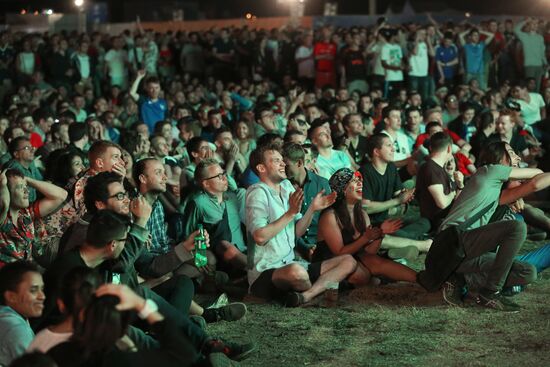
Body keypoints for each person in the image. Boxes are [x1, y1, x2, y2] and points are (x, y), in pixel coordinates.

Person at [440, 142, 548, 311]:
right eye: (512, 153)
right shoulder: (488, 171)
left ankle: (461, 280)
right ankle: (489, 292)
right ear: (500, 159)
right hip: (453, 244)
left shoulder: (498, 194)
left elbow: (530, 187)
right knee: (517, 227)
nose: (518, 157)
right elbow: (536, 180)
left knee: (529, 272)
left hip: (473, 258)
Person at [245, 143, 357, 307]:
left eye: (282, 160)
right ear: (261, 168)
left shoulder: (285, 186)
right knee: (296, 272)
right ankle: (318, 292)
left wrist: (312, 208)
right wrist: (290, 213)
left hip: (291, 263)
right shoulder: (257, 192)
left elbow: (296, 232)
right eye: (276, 160)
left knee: (348, 261)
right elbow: (260, 237)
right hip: (265, 271)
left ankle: (306, 296)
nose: (283, 163)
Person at [316, 168, 417, 284]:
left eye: (360, 180)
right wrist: (366, 238)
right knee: (364, 276)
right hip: (331, 263)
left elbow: (369, 252)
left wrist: (380, 233)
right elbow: (339, 252)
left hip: (354, 259)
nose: (360, 183)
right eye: (354, 181)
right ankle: (379, 277)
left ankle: (422, 279)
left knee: (376, 262)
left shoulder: (362, 214)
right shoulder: (330, 216)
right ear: (343, 189)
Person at [183, 159, 248, 271]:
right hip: (220, 255)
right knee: (224, 245)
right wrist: (199, 257)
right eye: (219, 176)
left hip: (244, 250)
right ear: (206, 183)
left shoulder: (234, 198)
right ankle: (258, 272)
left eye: (223, 174)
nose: (224, 178)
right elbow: (188, 235)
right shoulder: (198, 203)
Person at [0, 169, 67, 267]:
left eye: (26, 187)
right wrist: (2, 185)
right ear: (7, 192)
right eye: (20, 187)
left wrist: (26, 180)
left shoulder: (26, 213)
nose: (26, 191)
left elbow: (61, 195)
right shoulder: (3, 218)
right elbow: (5, 204)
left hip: (26, 271)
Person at [282, 143, 332, 259]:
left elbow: (329, 218)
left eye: (287, 165)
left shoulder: (322, 184)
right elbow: (286, 228)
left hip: (319, 243)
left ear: (299, 163)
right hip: (293, 245)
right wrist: (303, 247)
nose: (283, 169)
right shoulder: (282, 187)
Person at [0, 261, 45, 366]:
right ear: (11, 296)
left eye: (42, 289)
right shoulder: (16, 329)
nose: (42, 296)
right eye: (33, 290)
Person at [416, 132, 464, 229]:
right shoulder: (430, 168)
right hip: (436, 223)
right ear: (449, 148)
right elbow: (442, 203)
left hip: (448, 218)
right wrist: (453, 193)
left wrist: (459, 185)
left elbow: (457, 202)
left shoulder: (439, 169)